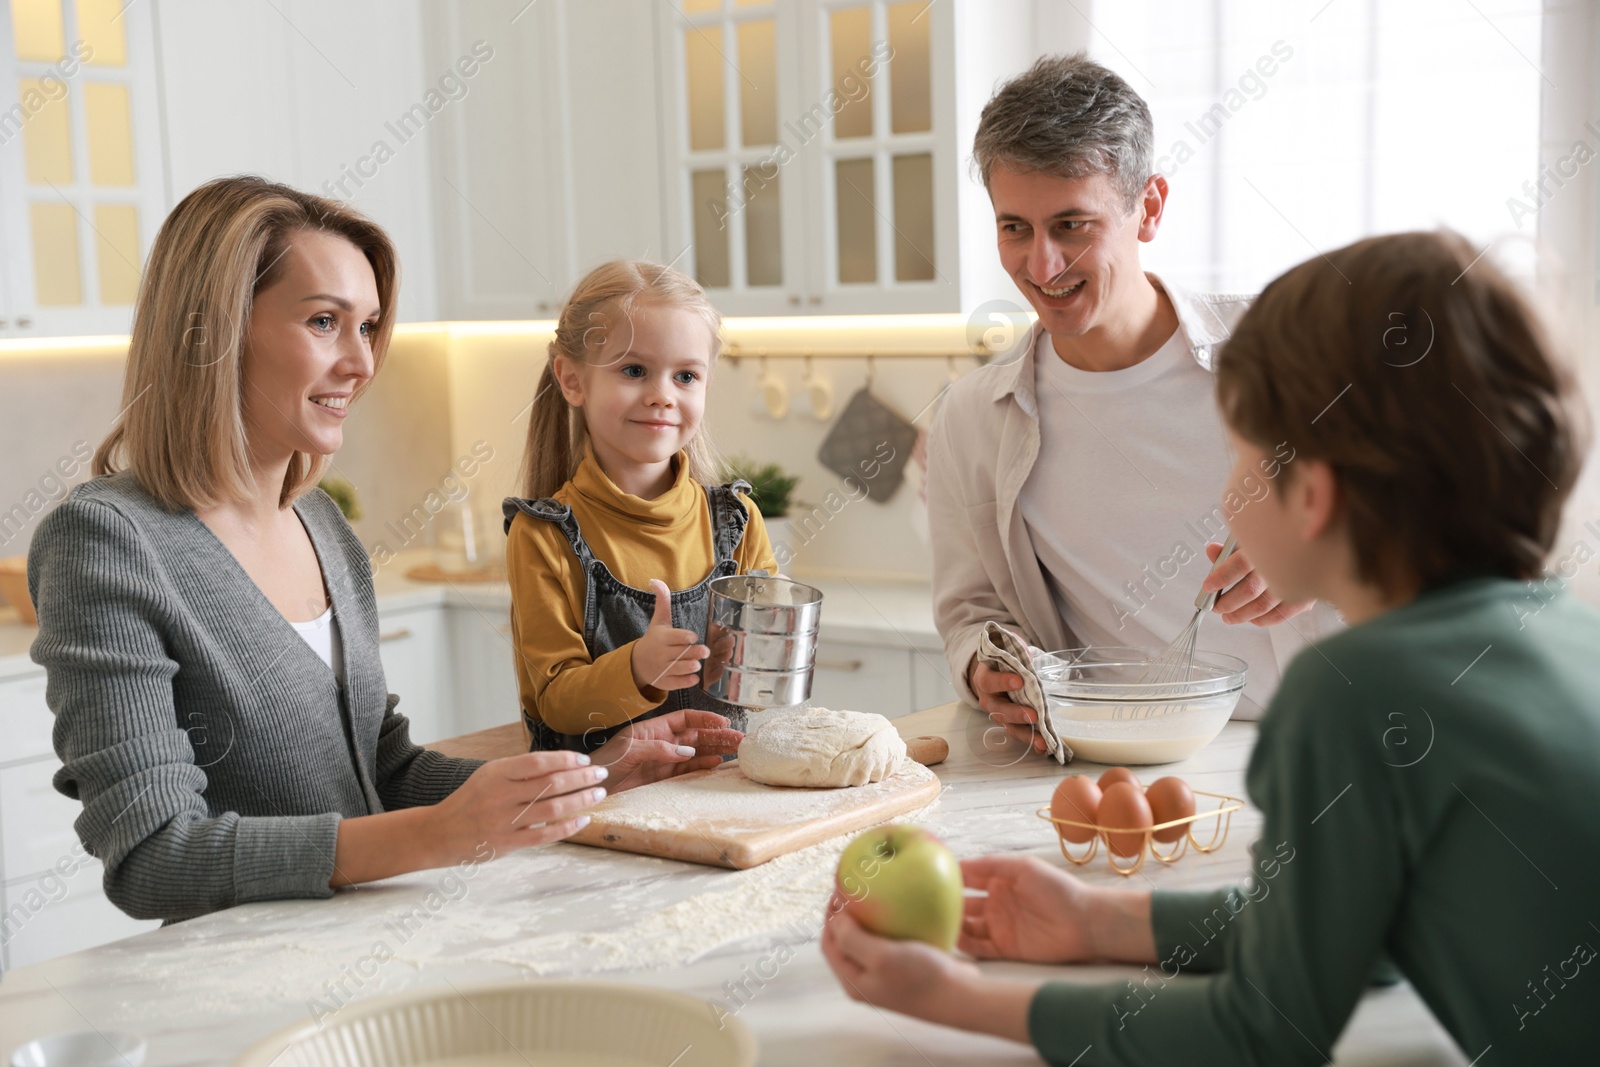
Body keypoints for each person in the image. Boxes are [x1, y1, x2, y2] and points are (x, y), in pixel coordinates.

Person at [821, 230, 1600, 1062]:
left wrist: (957, 999)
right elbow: (1364, 936)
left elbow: (1263, 1032)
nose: (1228, 491)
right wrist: (1099, 919)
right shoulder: (1567, 627)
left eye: (1239, 456)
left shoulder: (1353, 695)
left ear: (1314, 497)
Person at [27, 178, 738, 924]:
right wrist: (440, 835)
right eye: (325, 322)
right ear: (212, 332)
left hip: (369, 941)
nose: (362, 363)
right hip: (242, 993)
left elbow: (386, 769)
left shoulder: (322, 526)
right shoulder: (108, 544)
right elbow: (153, 857)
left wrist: (593, 774)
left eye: (367, 327)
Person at [927, 53, 1340, 750]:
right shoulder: (971, 417)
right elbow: (970, 608)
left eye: (1071, 225)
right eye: (1014, 228)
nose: (1041, 266)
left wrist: (1320, 558)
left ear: (1147, 208)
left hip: (1311, 740)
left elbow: (1438, 521)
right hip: (1105, 758)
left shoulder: (1295, 353)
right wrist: (981, 666)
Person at [504, 260, 778, 752]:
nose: (662, 396)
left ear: (708, 382)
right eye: (634, 370)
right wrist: (638, 669)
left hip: (719, 785)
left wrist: (755, 659)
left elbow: (758, 680)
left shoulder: (739, 523)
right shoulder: (543, 535)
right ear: (571, 379)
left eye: (686, 376)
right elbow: (556, 702)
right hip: (601, 804)